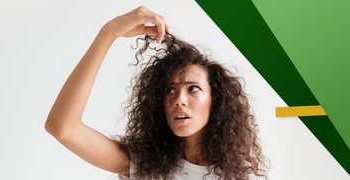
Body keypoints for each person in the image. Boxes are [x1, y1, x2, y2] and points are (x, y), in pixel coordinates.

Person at [45, 6, 268, 180]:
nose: (179, 101)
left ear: (216, 100)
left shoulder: (239, 176)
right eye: (170, 90)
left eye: (193, 88)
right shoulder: (144, 166)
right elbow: (63, 127)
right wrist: (109, 32)